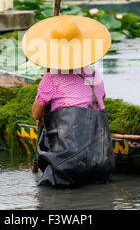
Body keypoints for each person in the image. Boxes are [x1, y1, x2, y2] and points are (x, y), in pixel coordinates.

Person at [21, 15, 116, 188]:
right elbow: (100, 102)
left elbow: (36, 113)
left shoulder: (50, 78)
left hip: (65, 168)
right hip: (101, 164)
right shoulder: (95, 75)